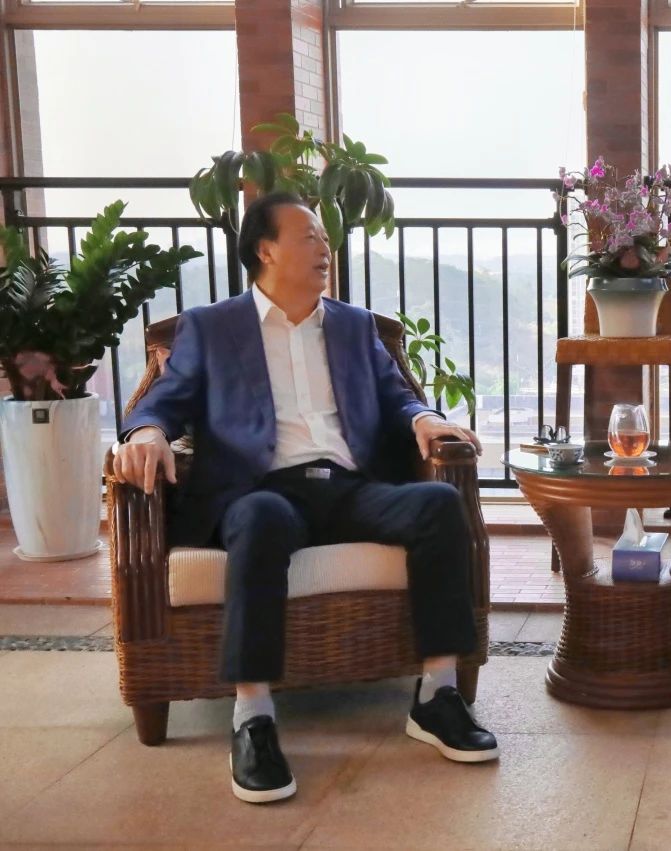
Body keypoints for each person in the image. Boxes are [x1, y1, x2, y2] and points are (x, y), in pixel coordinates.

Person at [113, 192, 498, 804]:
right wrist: (147, 431)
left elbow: (396, 394)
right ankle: (253, 718)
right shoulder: (211, 327)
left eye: (325, 237)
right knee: (261, 518)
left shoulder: (353, 325)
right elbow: (162, 400)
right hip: (261, 489)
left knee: (437, 505)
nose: (326, 247)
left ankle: (437, 696)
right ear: (266, 250)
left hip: (349, 488)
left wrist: (423, 417)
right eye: (309, 236)